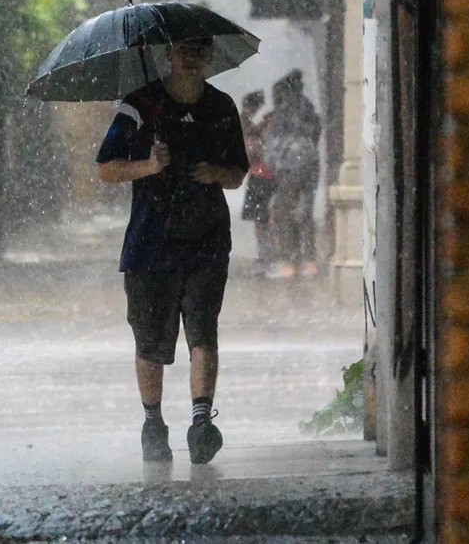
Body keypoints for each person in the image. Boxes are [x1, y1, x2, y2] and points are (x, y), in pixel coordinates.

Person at [95, 37, 249, 465]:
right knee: (150, 341)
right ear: (168, 54)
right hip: (150, 243)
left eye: (198, 49)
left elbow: (238, 173)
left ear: (209, 54)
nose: (191, 55)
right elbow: (106, 168)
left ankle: (202, 424)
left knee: (204, 329)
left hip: (207, 239)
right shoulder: (139, 106)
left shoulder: (221, 107)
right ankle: (153, 423)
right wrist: (149, 165)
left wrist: (215, 172)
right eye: (183, 48)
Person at [263, 69, 322, 278]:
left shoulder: (284, 111)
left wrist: (272, 163)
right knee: (305, 211)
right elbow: (315, 133)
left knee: (284, 212)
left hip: (291, 166)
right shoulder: (308, 108)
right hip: (311, 164)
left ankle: (290, 260)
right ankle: (310, 260)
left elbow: (275, 142)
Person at [238, 91, 278, 277]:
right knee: (263, 218)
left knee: (262, 218)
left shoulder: (249, 123)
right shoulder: (244, 123)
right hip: (263, 174)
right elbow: (250, 146)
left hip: (261, 175)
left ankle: (266, 256)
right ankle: (266, 255)